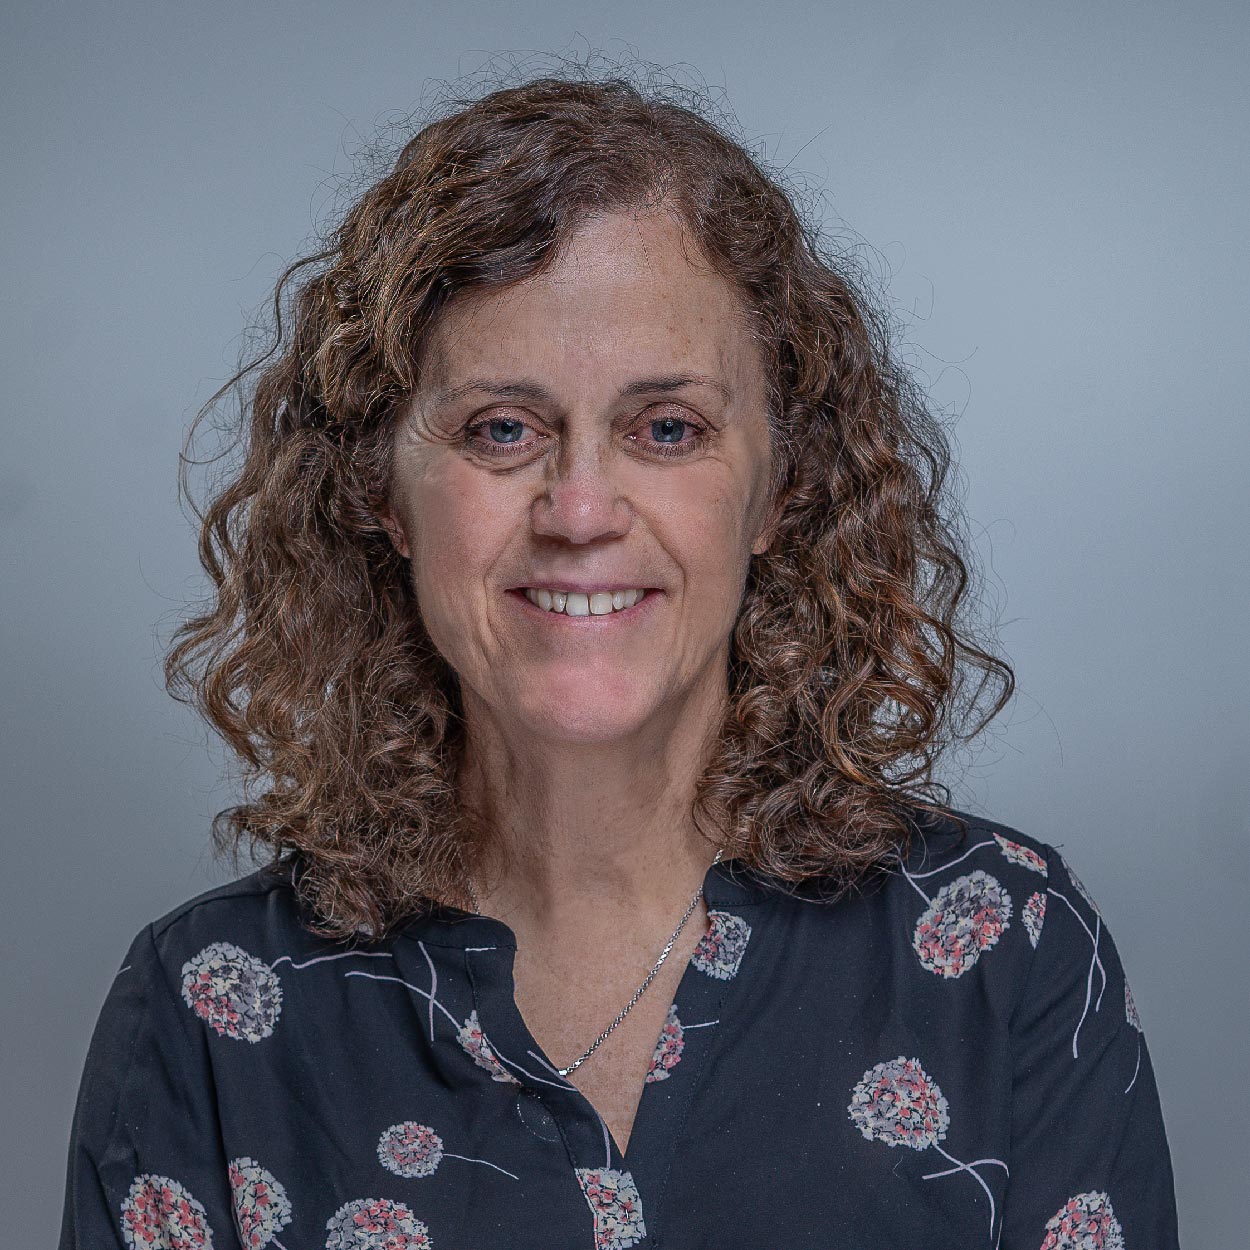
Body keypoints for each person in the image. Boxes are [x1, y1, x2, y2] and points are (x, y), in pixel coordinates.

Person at [58, 73, 1180, 1249]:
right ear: (379, 491)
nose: (581, 509)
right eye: (501, 428)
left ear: (778, 489)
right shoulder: (211, 1005)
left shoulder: (1005, 953)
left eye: (666, 428)